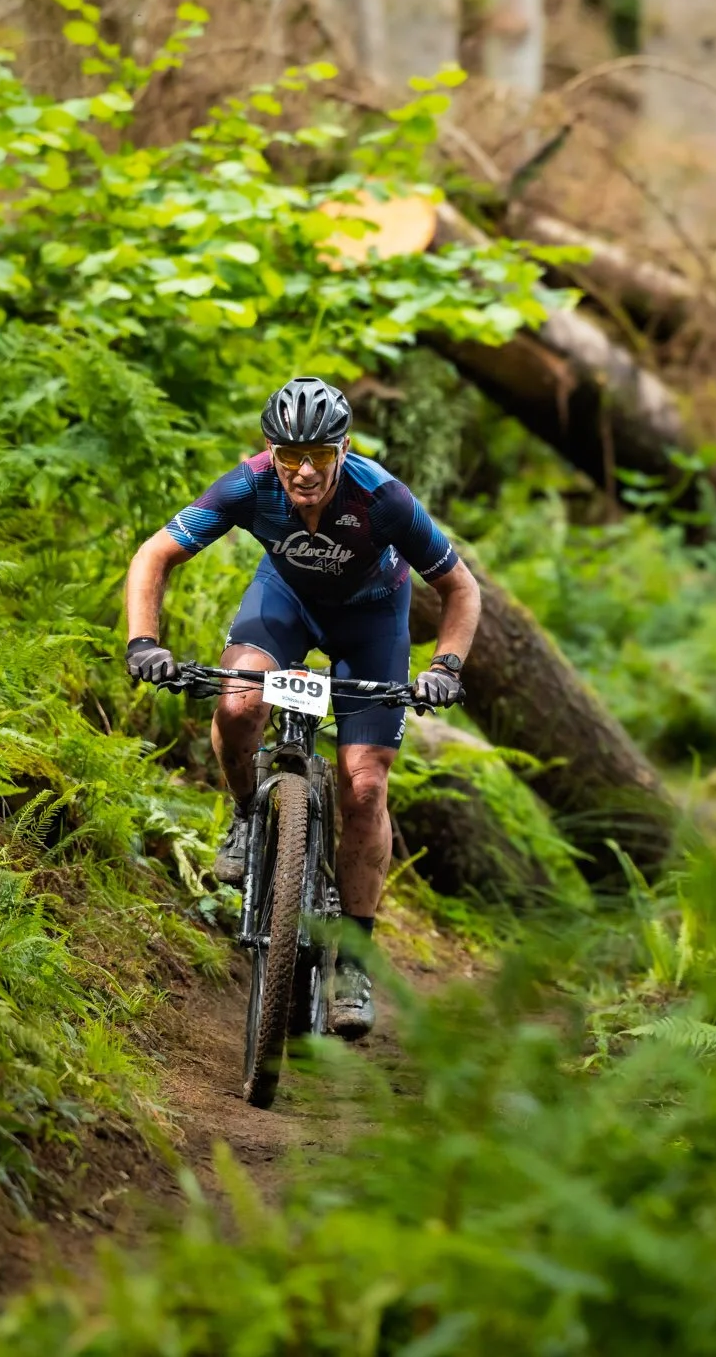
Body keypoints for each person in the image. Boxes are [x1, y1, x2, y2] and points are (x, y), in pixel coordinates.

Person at [120, 376, 481, 1039]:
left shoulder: (384, 498)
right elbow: (155, 555)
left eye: (319, 453)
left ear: (343, 448)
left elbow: (460, 588)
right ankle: (243, 812)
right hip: (283, 605)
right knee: (236, 706)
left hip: (372, 624)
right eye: (290, 455)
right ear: (271, 449)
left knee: (365, 786)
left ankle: (355, 956)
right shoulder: (247, 485)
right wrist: (144, 641)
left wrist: (444, 666)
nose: (305, 470)